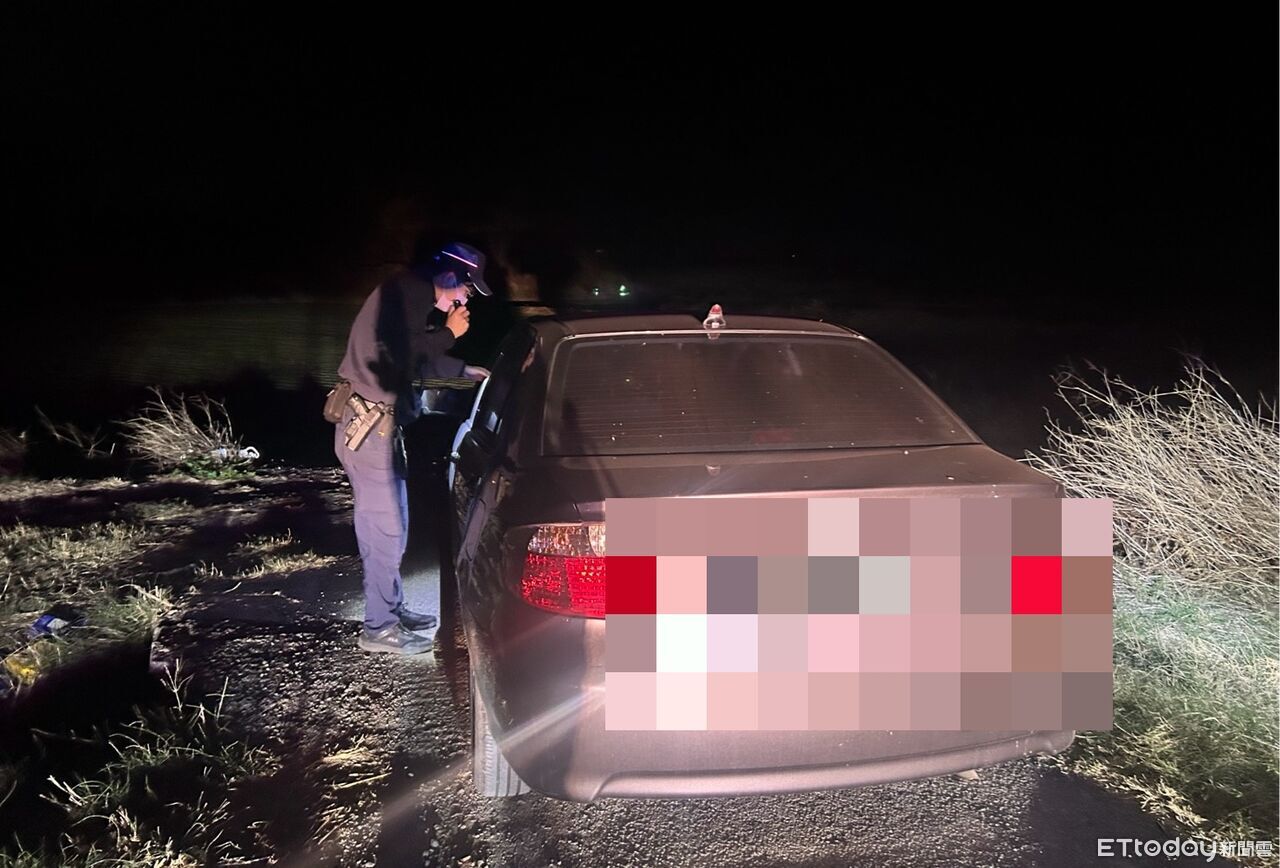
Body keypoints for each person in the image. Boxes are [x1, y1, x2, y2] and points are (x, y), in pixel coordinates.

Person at [334, 241, 492, 654]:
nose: (463, 300)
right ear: (449, 274)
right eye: (466, 289)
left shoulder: (406, 293)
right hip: (369, 430)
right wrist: (449, 334)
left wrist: (463, 369)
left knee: (392, 527)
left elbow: (411, 355)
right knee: (385, 530)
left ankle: (390, 610)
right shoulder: (410, 292)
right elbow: (398, 360)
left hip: (379, 428)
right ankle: (379, 628)